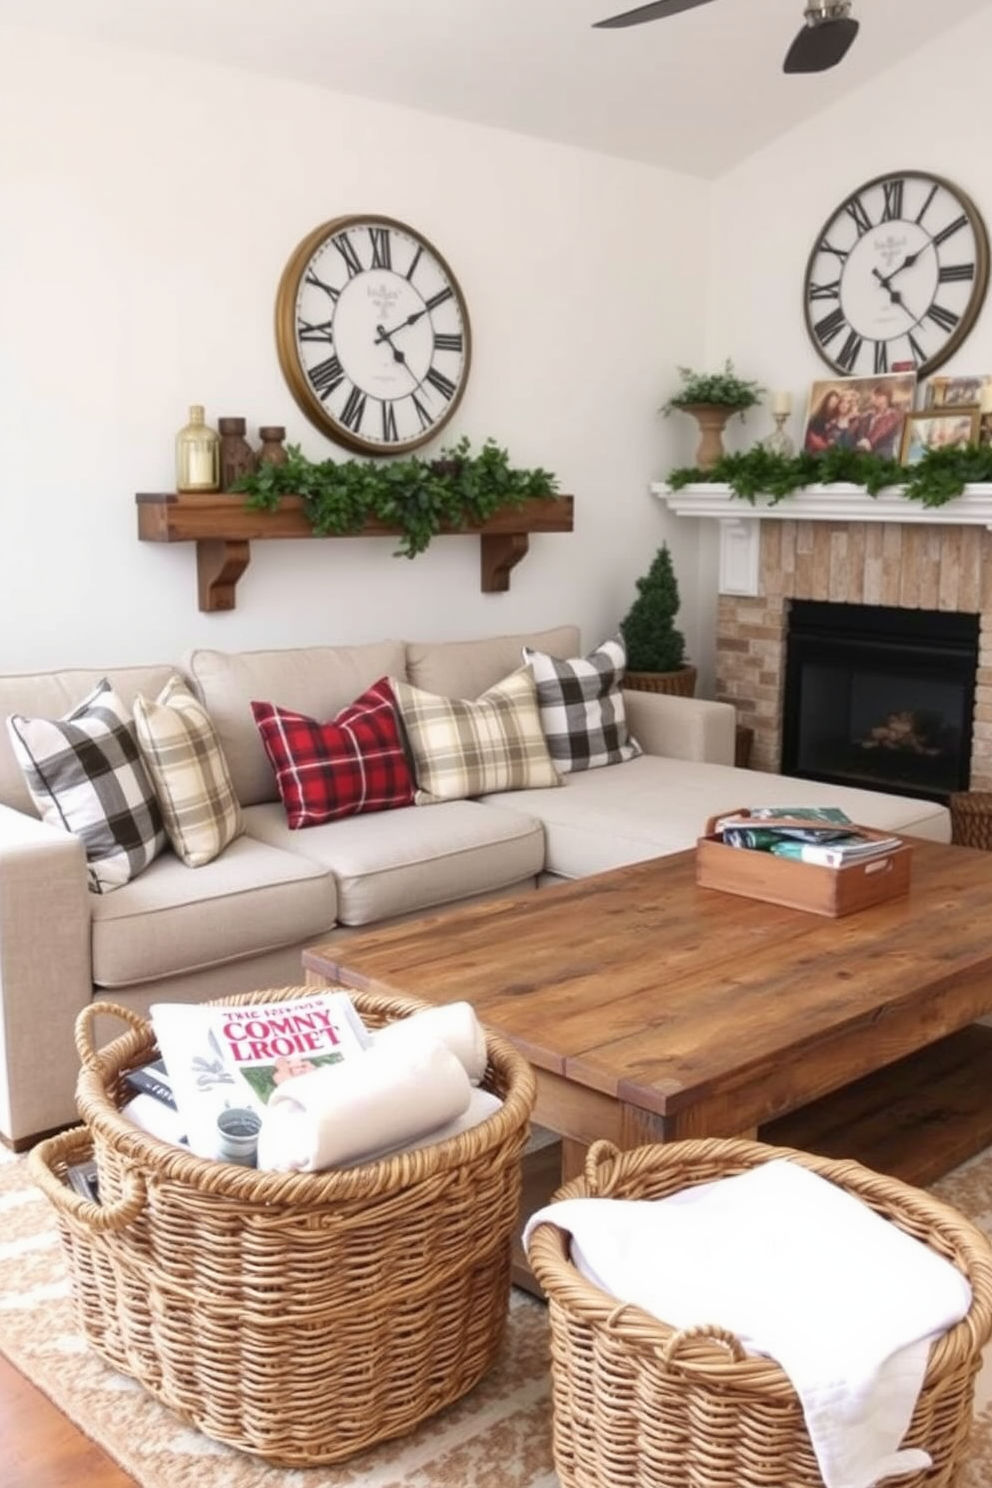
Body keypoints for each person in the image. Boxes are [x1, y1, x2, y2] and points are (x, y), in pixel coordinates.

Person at [856, 385, 903, 458]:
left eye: (880, 396)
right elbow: (860, 434)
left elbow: (882, 433)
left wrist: (868, 443)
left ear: (887, 398)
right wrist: (862, 440)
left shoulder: (893, 416)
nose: (876, 398)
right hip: (864, 453)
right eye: (875, 395)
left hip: (882, 453)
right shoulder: (868, 416)